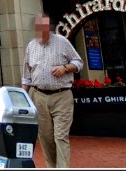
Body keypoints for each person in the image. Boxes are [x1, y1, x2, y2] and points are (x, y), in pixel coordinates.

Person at [21, 13, 83, 168]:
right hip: (39, 96)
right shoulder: (31, 46)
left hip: (61, 96)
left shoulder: (62, 42)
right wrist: (23, 96)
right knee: (46, 138)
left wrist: (65, 68)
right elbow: (27, 76)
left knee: (60, 136)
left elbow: (79, 62)